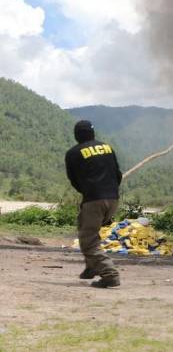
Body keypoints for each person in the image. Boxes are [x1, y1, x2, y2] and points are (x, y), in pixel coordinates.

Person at [65, 120, 122, 288]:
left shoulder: (73, 153)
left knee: (88, 240)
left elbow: (74, 180)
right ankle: (91, 267)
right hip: (113, 199)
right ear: (93, 133)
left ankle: (110, 274)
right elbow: (118, 174)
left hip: (94, 200)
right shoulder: (107, 148)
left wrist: (88, 192)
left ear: (76, 135)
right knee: (85, 226)